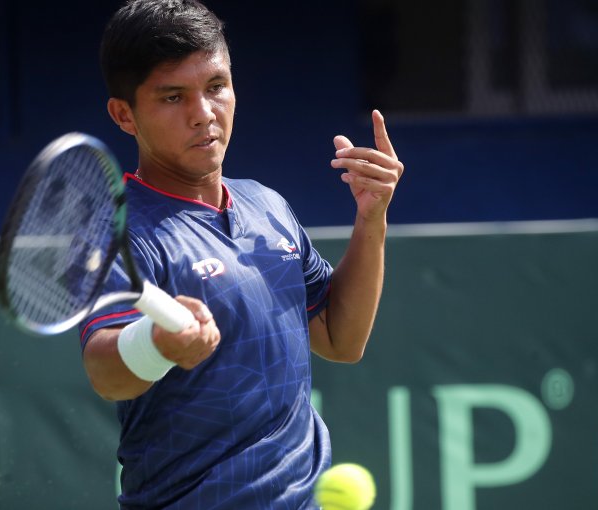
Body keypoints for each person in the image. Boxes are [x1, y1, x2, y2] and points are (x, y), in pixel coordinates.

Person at [78, 0, 404, 507]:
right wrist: (157, 345)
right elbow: (105, 369)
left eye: (215, 87)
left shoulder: (266, 203)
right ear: (125, 114)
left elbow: (341, 337)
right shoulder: (123, 232)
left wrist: (371, 217)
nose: (203, 114)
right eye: (172, 97)